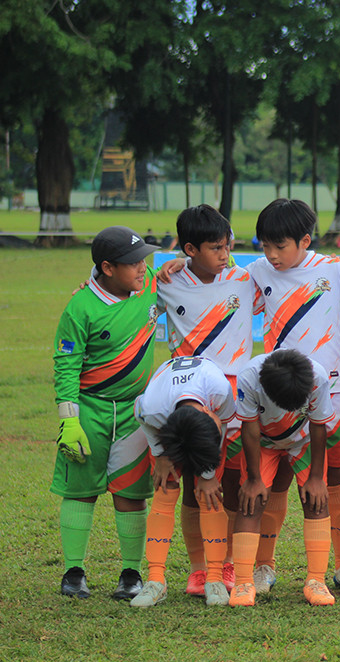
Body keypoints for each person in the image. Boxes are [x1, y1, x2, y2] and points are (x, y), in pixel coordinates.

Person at [246, 199, 340, 593]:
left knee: (332, 478)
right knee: (279, 480)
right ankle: (263, 566)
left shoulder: (335, 269)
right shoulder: (257, 272)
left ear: (305, 240)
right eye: (265, 245)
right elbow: (218, 290)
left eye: (280, 246)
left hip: (331, 392)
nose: (272, 254)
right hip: (277, 394)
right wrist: (175, 266)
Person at [52, 225, 159, 599]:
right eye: (134, 262)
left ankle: (131, 574)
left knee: (131, 492)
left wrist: (179, 264)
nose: (143, 267)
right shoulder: (80, 307)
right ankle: (73, 573)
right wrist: (69, 420)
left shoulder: (150, 285)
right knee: (80, 491)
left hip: (134, 413)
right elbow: (65, 365)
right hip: (90, 411)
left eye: (144, 259)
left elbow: (190, 271)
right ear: (108, 268)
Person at [156, 204, 254, 598]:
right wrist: (90, 280)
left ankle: (225, 562)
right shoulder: (166, 282)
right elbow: (122, 288)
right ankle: (199, 570)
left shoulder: (245, 279)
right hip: (187, 395)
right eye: (216, 248)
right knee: (194, 484)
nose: (225, 255)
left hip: (234, 397)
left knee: (230, 482)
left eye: (228, 246)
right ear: (190, 249)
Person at [230, 349, 338, 607]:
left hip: (304, 440)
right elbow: (249, 426)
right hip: (263, 441)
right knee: (251, 502)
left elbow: (318, 425)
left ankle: (316, 581)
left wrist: (316, 477)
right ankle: (243, 582)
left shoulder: (318, 377)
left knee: (316, 500)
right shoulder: (249, 377)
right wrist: (253, 479)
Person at [130, 356, 236, 607]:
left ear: (210, 410)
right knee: (165, 489)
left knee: (210, 495)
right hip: (167, 420)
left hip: (198, 413)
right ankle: (156, 580)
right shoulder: (152, 408)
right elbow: (140, 414)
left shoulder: (221, 391)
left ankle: (214, 578)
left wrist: (208, 475)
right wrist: (160, 454)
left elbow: (222, 425)